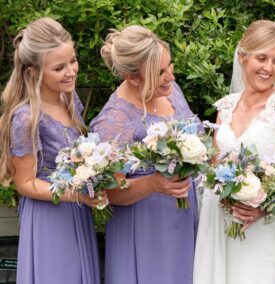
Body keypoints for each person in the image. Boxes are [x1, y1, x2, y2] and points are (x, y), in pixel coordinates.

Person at [194, 19, 275, 284]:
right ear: (243, 57)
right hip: (218, 218)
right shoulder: (225, 106)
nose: (269, 68)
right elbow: (213, 165)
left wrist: (263, 208)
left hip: (260, 224)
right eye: (262, 58)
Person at [89, 25, 199, 284]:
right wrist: (153, 184)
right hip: (145, 228)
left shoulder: (171, 90)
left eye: (169, 66)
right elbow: (108, 194)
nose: (170, 76)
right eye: (160, 72)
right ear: (132, 77)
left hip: (183, 215)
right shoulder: (115, 120)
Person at [0, 17, 102, 284]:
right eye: (59, 67)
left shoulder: (68, 97)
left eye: (73, 61)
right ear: (33, 71)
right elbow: (24, 183)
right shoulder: (25, 118)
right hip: (49, 215)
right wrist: (74, 195)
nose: (71, 71)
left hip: (77, 210)